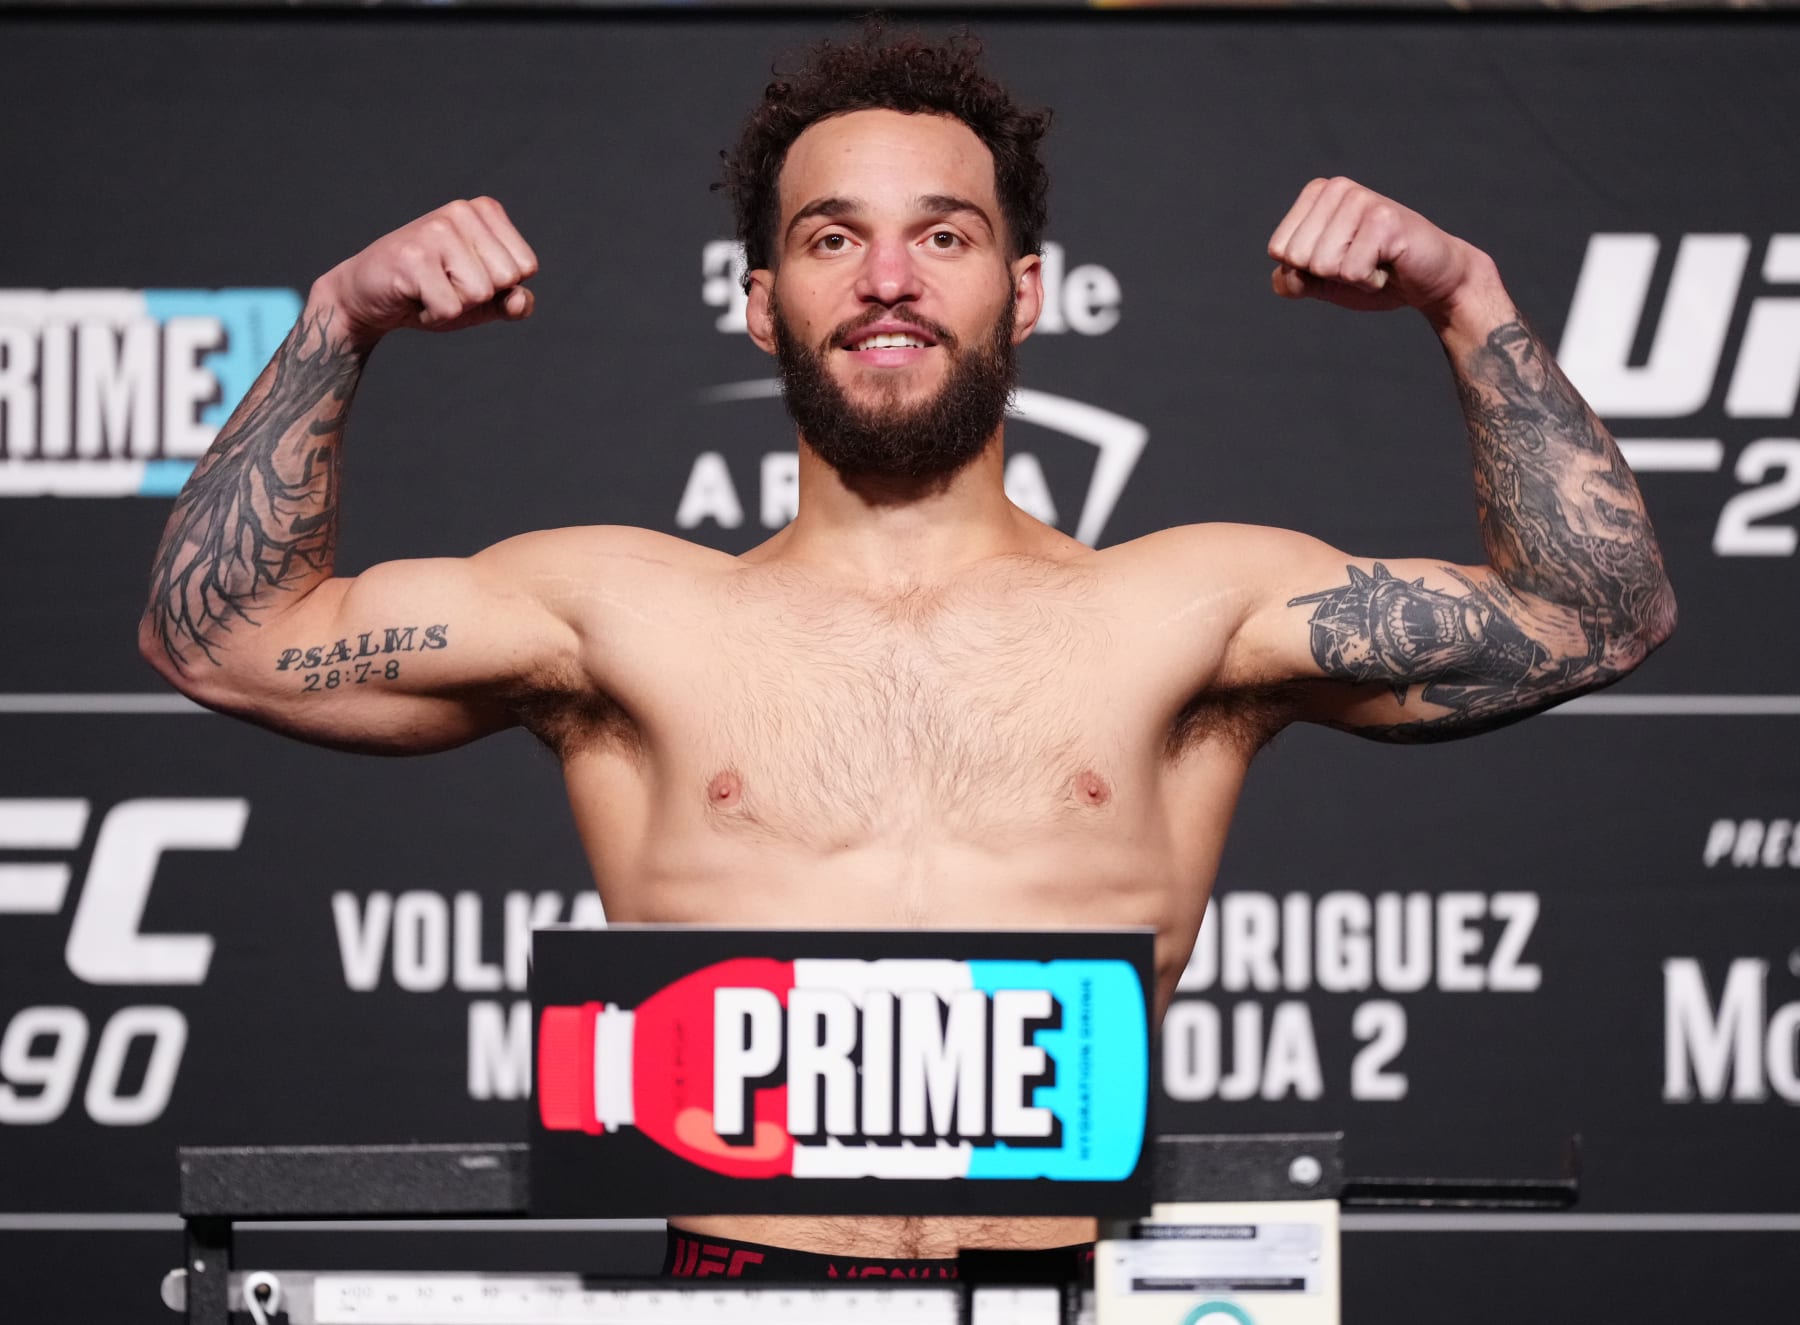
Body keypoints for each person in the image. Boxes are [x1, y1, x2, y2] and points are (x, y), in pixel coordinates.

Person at [139, 29, 1674, 1275]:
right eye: (831, 238)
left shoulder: (1188, 607)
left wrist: (1469, 301)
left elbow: (1598, 613)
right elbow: (226, 636)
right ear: (759, 304)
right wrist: (340, 319)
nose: (888, 277)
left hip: (1071, 1287)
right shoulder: (617, 614)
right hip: (739, 1289)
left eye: (943, 234)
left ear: (1026, 291)